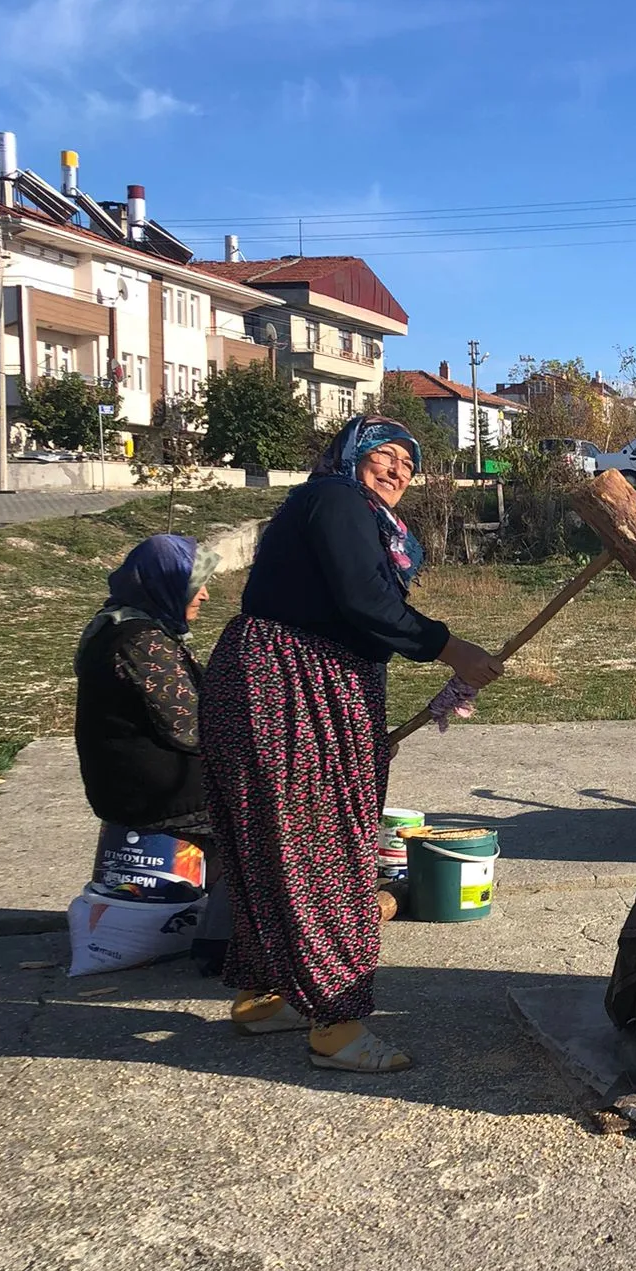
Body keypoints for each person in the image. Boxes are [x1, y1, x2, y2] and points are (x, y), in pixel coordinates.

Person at [201, 416, 502, 1074]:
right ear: (349, 456)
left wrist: (359, 728)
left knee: (271, 846)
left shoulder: (354, 514)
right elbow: (366, 601)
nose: (397, 470)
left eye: (407, 464)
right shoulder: (333, 499)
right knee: (322, 852)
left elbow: (357, 616)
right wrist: (454, 649)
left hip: (294, 686)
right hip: (288, 686)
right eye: (384, 455)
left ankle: (265, 996)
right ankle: (336, 1026)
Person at [74, 534, 219, 839]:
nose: (205, 595)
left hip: (132, 791)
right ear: (165, 584)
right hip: (165, 799)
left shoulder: (116, 626)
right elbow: (191, 728)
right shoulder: (143, 641)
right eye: (195, 585)